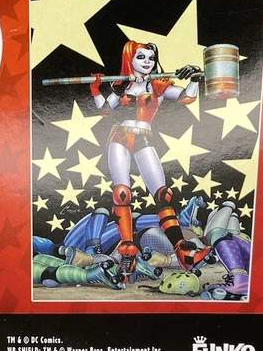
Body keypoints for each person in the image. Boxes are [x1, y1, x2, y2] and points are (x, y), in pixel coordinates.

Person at [84, 39, 211, 281]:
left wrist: (194, 79)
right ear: (129, 59)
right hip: (120, 137)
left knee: (163, 195)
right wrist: (96, 91)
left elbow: (187, 97)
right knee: (122, 193)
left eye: (151, 58)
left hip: (144, 137)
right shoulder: (121, 85)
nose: (148, 62)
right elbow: (105, 111)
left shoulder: (158, 84)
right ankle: (128, 253)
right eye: (141, 57)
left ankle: (183, 252)